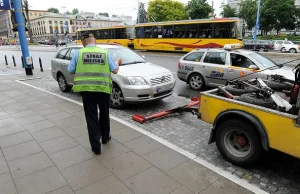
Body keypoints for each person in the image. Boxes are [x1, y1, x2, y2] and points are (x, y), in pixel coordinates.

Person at [67, 32, 123, 155]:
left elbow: (70, 71)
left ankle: (96, 148)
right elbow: (115, 70)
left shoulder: (79, 53)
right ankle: (105, 138)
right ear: (95, 41)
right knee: (104, 114)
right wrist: (117, 62)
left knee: (91, 118)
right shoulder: (104, 53)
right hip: (103, 90)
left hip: (87, 91)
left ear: (83, 43)